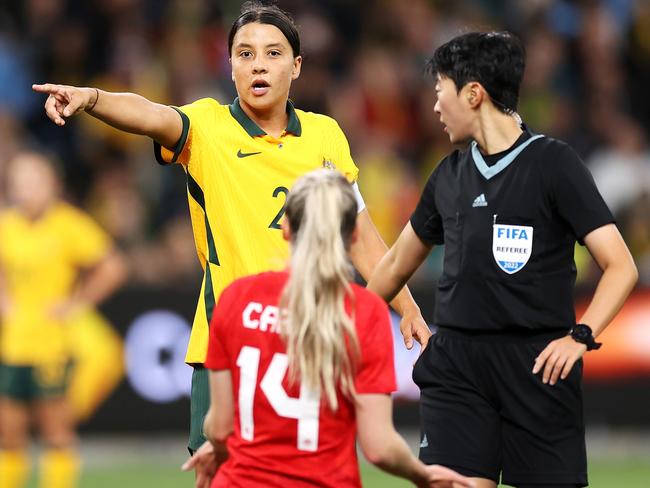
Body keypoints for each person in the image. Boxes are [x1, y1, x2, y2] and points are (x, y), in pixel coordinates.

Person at [32, 0, 431, 479]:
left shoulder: (326, 136)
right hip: (229, 346)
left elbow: (358, 232)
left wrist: (405, 305)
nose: (258, 63)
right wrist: (94, 98)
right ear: (231, 66)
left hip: (310, 340)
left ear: (297, 65)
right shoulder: (208, 128)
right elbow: (151, 114)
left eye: (272, 53)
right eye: (244, 54)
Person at [367, 31, 638, 488]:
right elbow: (393, 267)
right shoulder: (448, 174)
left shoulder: (555, 164)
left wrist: (580, 337)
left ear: (473, 93)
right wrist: (349, 322)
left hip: (538, 367)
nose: (434, 108)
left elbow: (621, 266)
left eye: (440, 92)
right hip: (457, 367)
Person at [201, 169, 473, 488]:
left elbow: (219, 428)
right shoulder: (364, 312)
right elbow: (379, 447)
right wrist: (421, 474)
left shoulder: (236, 298)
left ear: (285, 227)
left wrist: (218, 450)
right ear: (354, 235)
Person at [0, 151, 127, 488]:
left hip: (52, 344)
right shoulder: (7, 225)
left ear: (52, 185)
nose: (27, 189)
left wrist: (76, 304)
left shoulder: (68, 225)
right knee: (9, 433)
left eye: (35, 180)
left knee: (55, 431)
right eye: (21, 181)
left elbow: (113, 266)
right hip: (13, 342)